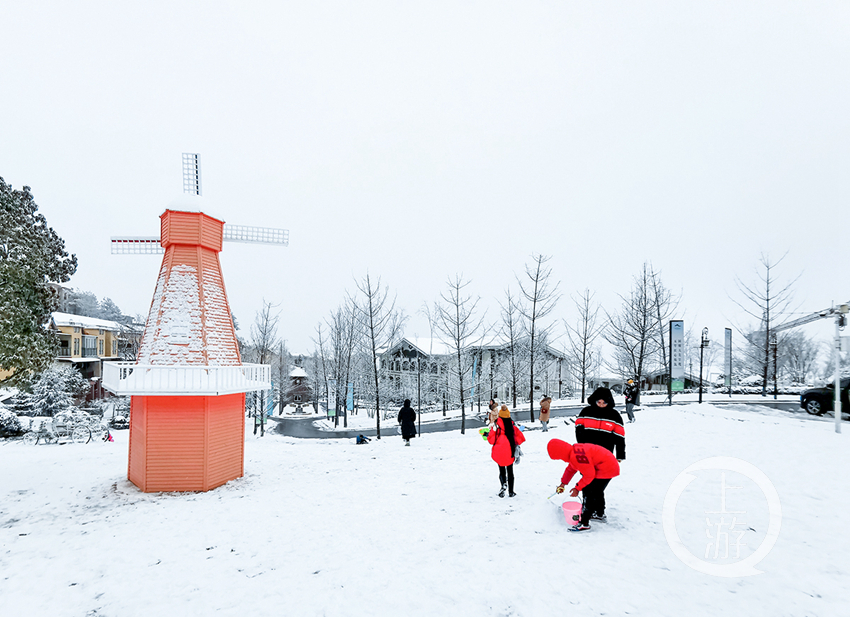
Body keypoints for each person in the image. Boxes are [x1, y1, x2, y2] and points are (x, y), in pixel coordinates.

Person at [547, 438, 620, 532]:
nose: (562, 460)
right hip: (607, 465)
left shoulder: (577, 456)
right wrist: (563, 483)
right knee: (597, 491)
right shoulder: (574, 451)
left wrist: (577, 488)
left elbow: (589, 475)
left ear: (561, 453)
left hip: (606, 468)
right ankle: (599, 514)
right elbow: (571, 469)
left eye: (560, 457)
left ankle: (584, 523)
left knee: (589, 491)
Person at [575, 387, 626, 461]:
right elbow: (579, 429)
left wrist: (620, 455)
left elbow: (619, 436)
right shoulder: (586, 412)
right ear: (595, 400)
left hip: (605, 451)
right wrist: (581, 445)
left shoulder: (614, 415)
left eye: (604, 403)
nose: (601, 405)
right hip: (587, 451)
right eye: (599, 402)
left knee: (603, 471)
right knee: (587, 471)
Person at [487, 404, 526, 498]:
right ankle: (511, 491)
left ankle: (503, 484)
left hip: (498, 452)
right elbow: (521, 439)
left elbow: (490, 440)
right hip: (509, 452)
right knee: (510, 471)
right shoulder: (512, 426)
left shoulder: (496, 426)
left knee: (501, 470)